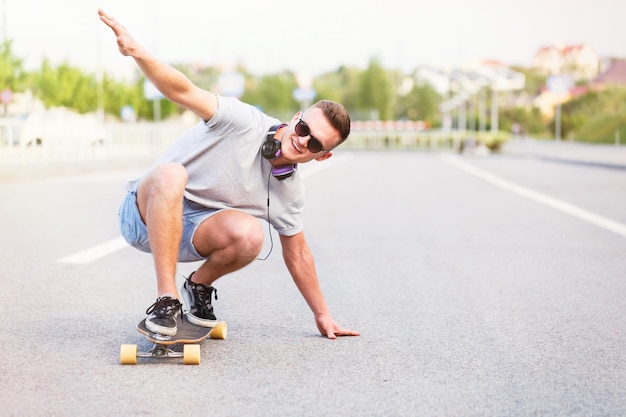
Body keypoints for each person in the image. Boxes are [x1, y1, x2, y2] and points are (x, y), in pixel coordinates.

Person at [99, 9, 360, 340]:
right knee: (171, 174)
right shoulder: (243, 121)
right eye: (304, 127)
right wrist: (138, 52)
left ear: (323, 156)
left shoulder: (288, 192)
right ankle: (167, 302)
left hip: (191, 235)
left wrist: (323, 314)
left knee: (252, 236)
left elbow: (298, 254)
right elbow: (183, 90)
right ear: (296, 117)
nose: (302, 140)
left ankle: (198, 286)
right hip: (143, 215)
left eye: (315, 143)